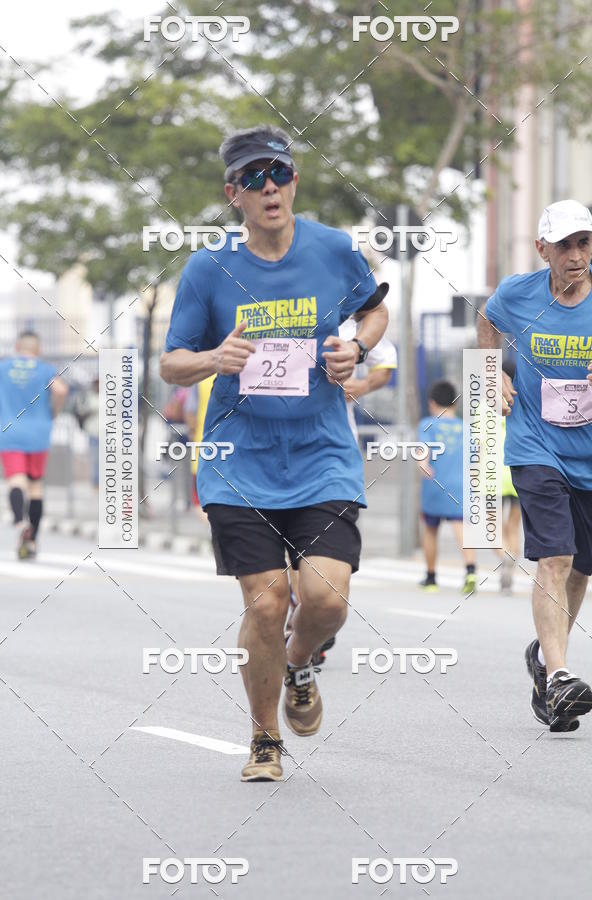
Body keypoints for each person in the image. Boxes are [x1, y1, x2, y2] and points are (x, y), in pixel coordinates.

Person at [160, 124, 389, 781]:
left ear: (294, 181)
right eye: (254, 179)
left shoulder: (333, 249)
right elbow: (172, 363)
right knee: (265, 601)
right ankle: (265, 740)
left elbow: (374, 313)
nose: (270, 188)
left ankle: (300, 661)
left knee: (324, 600)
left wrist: (357, 348)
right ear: (233, 193)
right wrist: (212, 357)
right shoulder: (209, 268)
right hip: (239, 461)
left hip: (321, 454)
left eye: (279, 174)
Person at [478, 199, 592, 732]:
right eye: (565, 245)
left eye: (585, 243)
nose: (576, 256)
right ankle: (560, 675)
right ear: (542, 249)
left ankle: (546, 661)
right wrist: (492, 374)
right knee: (555, 555)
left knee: (579, 571)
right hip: (535, 445)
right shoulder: (517, 294)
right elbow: (487, 322)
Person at [285, 319, 398, 665]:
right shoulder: (273, 311)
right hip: (275, 450)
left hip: (331, 452)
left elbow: (386, 364)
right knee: (288, 545)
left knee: (317, 550)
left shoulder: (350, 328)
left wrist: (358, 388)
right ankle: (303, 613)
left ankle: (309, 616)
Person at [0, 331, 68, 558]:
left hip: (10, 432)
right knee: (36, 488)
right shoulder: (45, 369)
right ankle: (32, 542)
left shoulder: (3, 367)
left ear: (17, 347)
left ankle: (21, 523)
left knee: (16, 482)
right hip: (39, 432)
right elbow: (61, 390)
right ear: (38, 349)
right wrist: (53, 412)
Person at [418, 380, 477, 594]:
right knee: (461, 527)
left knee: (431, 530)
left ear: (432, 403)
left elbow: (423, 448)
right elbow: (475, 457)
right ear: (456, 404)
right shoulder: (467, 428)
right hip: (460, 485)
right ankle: (470, 571)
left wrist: (423, 465)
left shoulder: (427, 424)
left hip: (435, 483)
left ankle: (431, 578)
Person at [494, 360, 522, 592]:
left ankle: (504, 556)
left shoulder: (484, 406)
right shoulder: (524, 403)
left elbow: (478, 445)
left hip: (493, 475)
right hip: (518, 472)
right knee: (514, 525)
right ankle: (511, 561)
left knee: (495, 526)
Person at [184, 375, 216, 523]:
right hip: (235, 458)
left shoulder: (201, 377)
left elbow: (189, 413)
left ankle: (216, 533)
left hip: (204, 453)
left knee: (200, 504)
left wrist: (193, 432)